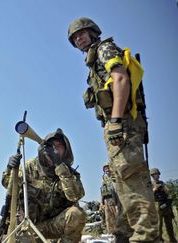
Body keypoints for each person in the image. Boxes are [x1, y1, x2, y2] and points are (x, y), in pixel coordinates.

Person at [68, 17, 159, 242]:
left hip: (123, 123)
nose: (78, 39)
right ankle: (124, 234)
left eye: (81, 34)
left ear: (93, 33)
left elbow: (120, 79)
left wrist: (117, 119)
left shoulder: (104, 49)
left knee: (133, 182)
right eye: (74, 37)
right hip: (115, 125)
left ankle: (146, 237)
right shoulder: (94, 58)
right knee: (122, 183)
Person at [2, 128, 86, 243]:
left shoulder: (68, 173)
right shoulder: (29, 167)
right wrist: (10, 168)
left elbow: (75, 196)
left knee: (76, 214)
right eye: (52, 146)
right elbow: (7, 184)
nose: (55, 150)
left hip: (54, 225)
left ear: (66, 150)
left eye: (59, 146)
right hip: (28, 227)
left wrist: (59, 165)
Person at [150, 168, 177, 243]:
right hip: (157, 205)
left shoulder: (162, 183)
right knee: (159, 225)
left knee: (169, 224)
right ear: (152, 175)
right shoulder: (150, 184)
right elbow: (149, 195)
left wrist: (165, 189)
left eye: (158, 174)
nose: (157, 176)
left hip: (166, 205)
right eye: (155, 174)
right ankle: (160, 240)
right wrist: (155, 189)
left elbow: (168, 192)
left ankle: (173, 240)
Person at [100, 164, 119, 234]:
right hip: (107, 201)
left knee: (117, 218)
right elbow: (102, 192)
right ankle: (111, 234)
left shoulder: (115, 178)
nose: (106, 170)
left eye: (108, 168)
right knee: (109, 219)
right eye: (105, 169)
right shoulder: (103, 180)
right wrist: (101, 203)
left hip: (116, 201)